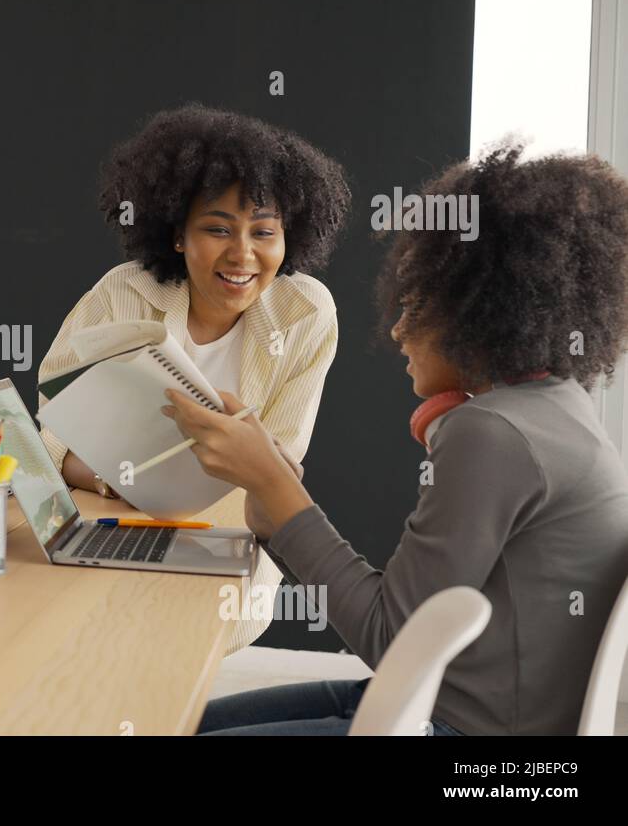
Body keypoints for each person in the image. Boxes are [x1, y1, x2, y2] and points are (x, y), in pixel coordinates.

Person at [168, 144, 628, 735]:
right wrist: (272, 502)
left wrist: (275, 487)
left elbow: (391, 637)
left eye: (417, 305)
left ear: (478, 313)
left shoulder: (493, 434)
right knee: (173, 721)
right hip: (428, 704)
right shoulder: (557, 410)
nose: (398, 328)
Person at [38, 103, 351, 653]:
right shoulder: (123, 293)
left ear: (288, 238)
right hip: (111, 525)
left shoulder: (307, 313)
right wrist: (125, 481)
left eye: (264, 232)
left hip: (227, 538)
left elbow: (278, 462)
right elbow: (52, 430)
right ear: (178, 235)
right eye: (217, 229)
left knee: (172, 650)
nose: (243, 254)